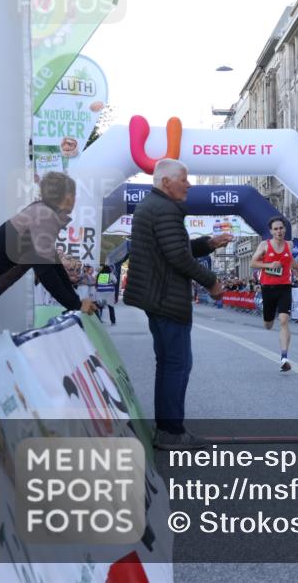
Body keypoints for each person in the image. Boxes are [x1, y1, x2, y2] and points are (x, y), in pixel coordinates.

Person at [123, 159, 230, 450]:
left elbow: (173, 248)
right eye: (184, 179)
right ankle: (171, 431)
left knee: (170, 363)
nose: (190, 184)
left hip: (157, 296)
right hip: (167, 297)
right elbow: (178, 257)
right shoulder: (166, 209)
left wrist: (207, 243)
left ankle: (167, 429)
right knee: (177, 364)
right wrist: (211, 281)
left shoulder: (153, 206)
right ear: (166, 182)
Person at [0, 172, 97, 333]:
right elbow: (45, 270)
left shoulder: (41, 212)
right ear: (68, 196)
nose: (75, 199)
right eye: (74, 195)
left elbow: (54, 265)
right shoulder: (44, 216)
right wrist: (76, 304)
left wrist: (75, 302)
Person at [250, 216, 298, 372]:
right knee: (268, 324)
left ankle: (284, 357)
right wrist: (268, 265)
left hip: (285, 286)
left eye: (281, 228)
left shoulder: (289, 244)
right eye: (276, 229)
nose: (279, 231)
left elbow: (290, 262)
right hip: (268, 288)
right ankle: (267, 318)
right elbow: (253, 263)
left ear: (285, 229)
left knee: (284, 320)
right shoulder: (264, 245)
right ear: (271, 231)